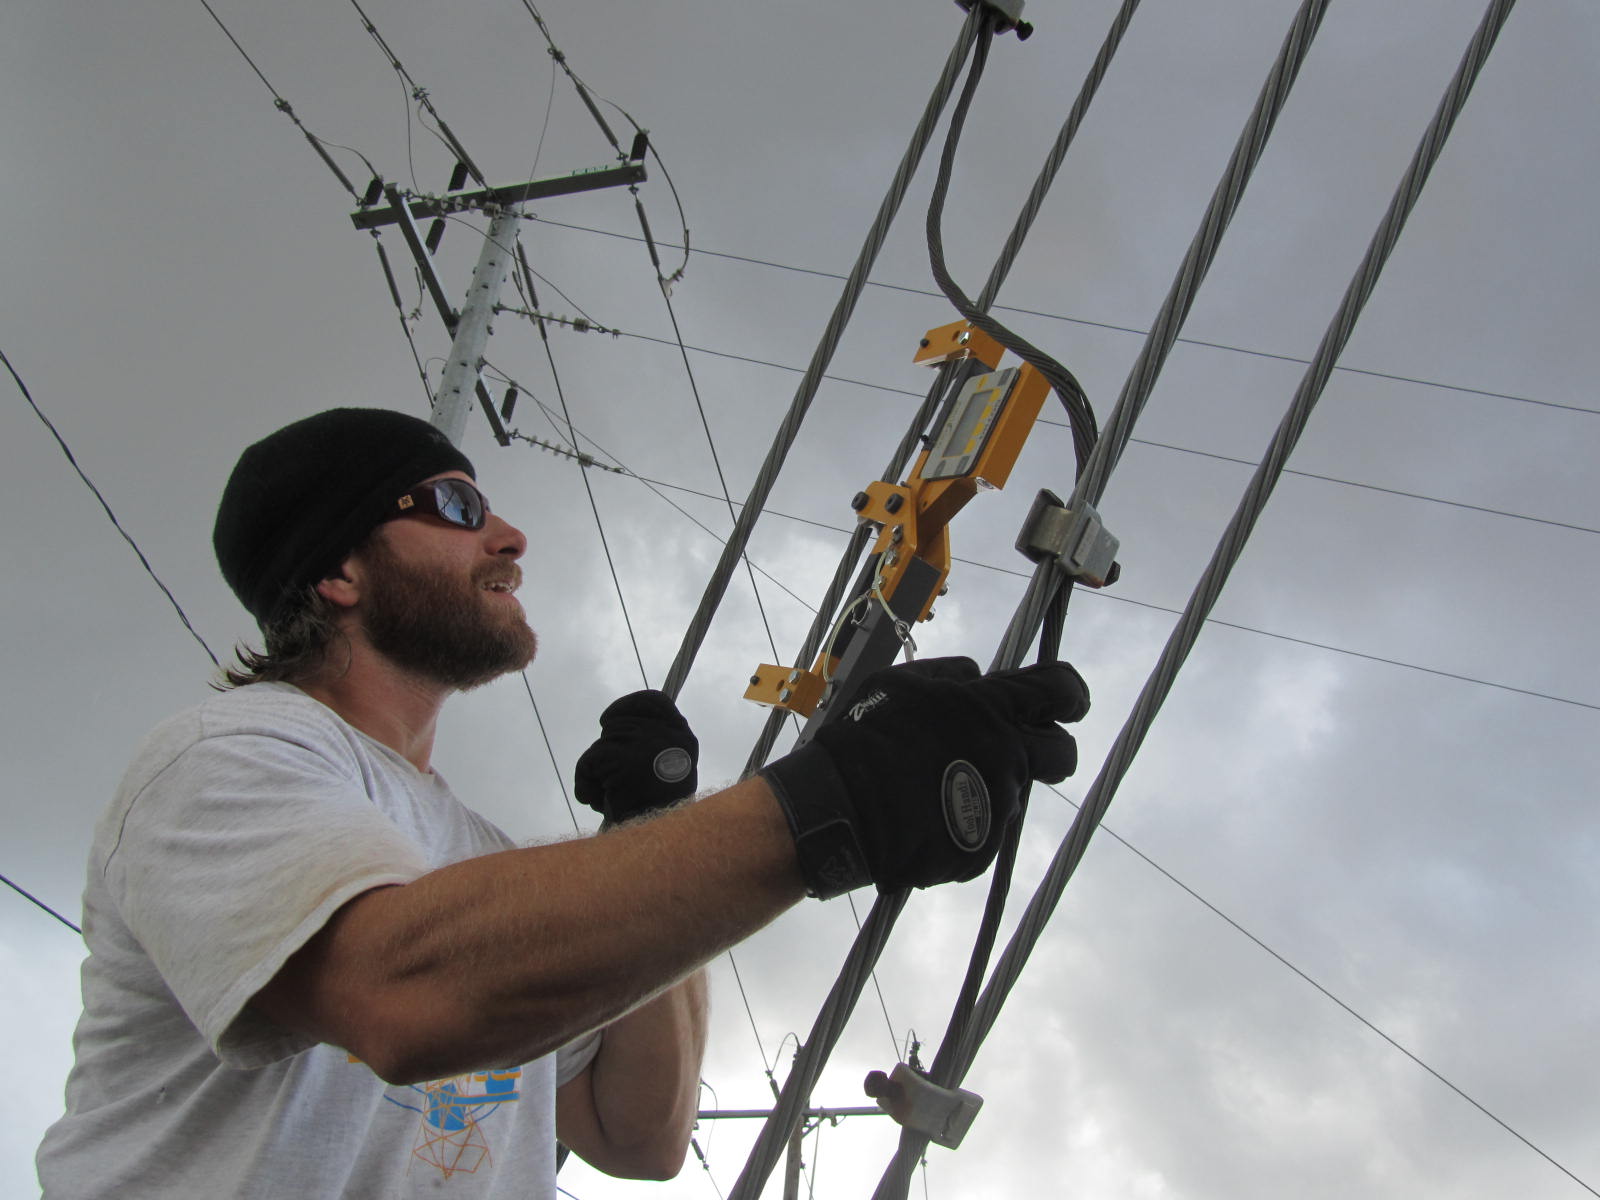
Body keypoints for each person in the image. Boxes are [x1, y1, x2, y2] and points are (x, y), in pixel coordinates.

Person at [37, 407, 1090, 1198]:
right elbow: (401, 999)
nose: (509, 537)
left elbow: (638, 1132)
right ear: (338, 573)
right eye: (456, 507)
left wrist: (646, 834)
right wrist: (829, 803)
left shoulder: (465, 857)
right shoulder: (223, 760)